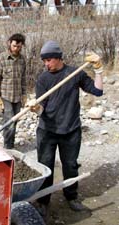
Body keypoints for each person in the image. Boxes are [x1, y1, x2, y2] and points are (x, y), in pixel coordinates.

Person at [28, 40, 103, 216]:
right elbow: (42, 109)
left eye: (49, 60)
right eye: (44, 61)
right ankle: (43, 201)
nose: (46, 64)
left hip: (71, 130)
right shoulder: (43, 78)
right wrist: (35, 107)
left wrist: (99, 70)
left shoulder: (75, 73)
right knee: (45, 166)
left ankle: (71, 197)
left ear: (58, 58)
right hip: (47, 130)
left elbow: (98, 91)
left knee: (70, 165)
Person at [0, 33, 27, 149]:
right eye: (14, 46)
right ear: (9, 44)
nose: (16, 49)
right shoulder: (1, 59)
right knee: (9, 121)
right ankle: (8, 148)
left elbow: (23, 79)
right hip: (5, 96)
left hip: (17, 97)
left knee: (15, 121)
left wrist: (24, 95)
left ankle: (10, 143)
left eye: (19, 47)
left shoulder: (22, 60)